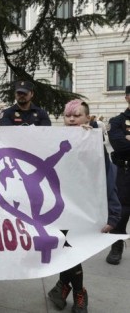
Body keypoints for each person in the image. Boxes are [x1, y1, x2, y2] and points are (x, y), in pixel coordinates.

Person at [47, 99, 121, 313]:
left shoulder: (95, 144)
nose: (71, 119)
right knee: (68, 251)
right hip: (61, 211)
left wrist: (113, 215)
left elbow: (108, 180)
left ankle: (65, 288)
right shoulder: (54, 141)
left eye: (77, 115)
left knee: (72, 252)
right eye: (68, 115)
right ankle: (77, 292)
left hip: (86, 212)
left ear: (88, 118)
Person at [106, 86, 130, 265]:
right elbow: (119, 145)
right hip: (125, 171)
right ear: (127, 98)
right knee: (122, 210)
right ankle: (116, 245)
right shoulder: (117, 121)